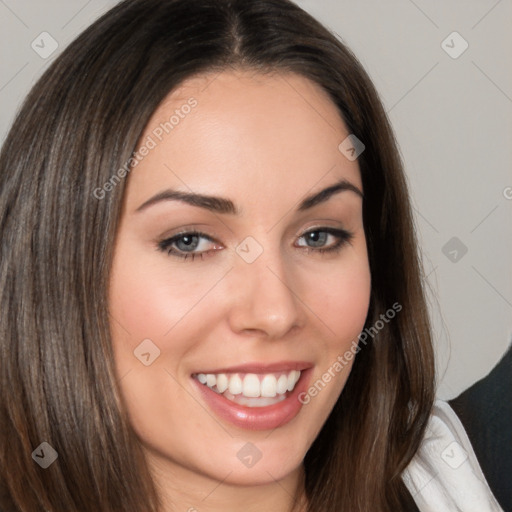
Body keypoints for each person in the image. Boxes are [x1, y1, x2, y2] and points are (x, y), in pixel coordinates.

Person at [0, 0, 503, 511]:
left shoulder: (471, 471)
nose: (275, 313)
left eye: (319, 236)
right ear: (56, 266)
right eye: (190, 241)